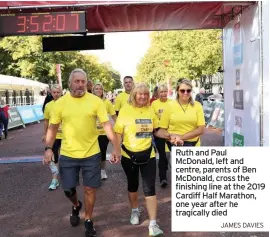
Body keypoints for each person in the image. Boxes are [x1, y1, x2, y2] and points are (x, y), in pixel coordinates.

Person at [43, 68, 121, 237]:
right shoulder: (60, 104)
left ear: (87, 83)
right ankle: (76, 205)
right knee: (68, 190)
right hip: (68, 154)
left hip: (91, 153)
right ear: (70, 83)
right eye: (76, 81)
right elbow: (53, 127)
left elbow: (107, 125)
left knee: (89, 189)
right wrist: (48, 148)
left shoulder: (96, 101)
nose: (80, 85)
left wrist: (116, 148)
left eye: (83, 82)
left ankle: (88, 220)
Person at [114, 83, 164, 237]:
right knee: (133, 185)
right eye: (140, 94)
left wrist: (171, 136)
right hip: (129, 156)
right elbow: (117, 132)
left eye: (145, 94)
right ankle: (135, 210)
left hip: (148, 155)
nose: (143, 96)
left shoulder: (150, 110)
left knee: (150, 188)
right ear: (134, 95)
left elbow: (157, 131)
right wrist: (116, 151)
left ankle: (153, 224)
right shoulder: (125, 110)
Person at [156, 78, 205, 148]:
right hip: (173, 146)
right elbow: (162, 130)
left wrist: (181, 137)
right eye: (182, 91)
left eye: (188, 90)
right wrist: (171, 137)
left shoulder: (197, 106)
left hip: (193, 146)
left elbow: (201, 129)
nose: (185, 93)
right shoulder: (169, 106)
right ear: (177, 91)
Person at [92, 82, 117, 180]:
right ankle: (94, 171)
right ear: (93, 90)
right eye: (96, 89)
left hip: (103, 132)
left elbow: (113, 115)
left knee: (102, 152)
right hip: (92, 133)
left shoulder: (107, 102)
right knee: (93, 153)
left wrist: (120, 126)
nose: (98, 90)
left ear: (103, 91)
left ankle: (102, 171)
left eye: (100, 89)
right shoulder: (89, 101)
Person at [151, 84, 172, 188]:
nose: (163, 93)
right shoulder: (154, 104)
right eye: (161, 92)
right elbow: (152, 117)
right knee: (162, 155)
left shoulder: (172, 103)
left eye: (165, 91)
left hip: (171, 133)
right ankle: (163, 178)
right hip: (159, 133)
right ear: (158, 93)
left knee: (172, 154)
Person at [43, 84, 63, 190]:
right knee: (52, 157)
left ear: (61, 92)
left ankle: (69, 177)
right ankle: (55, 179)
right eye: (54, 92)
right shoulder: (48, 106)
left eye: (58, 92)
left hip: (66, 135)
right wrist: (45, 133)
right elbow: (46, 121)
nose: (56, 94)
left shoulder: (66, 104)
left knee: (66, 157)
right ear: (51, 93)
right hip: (53, 136)